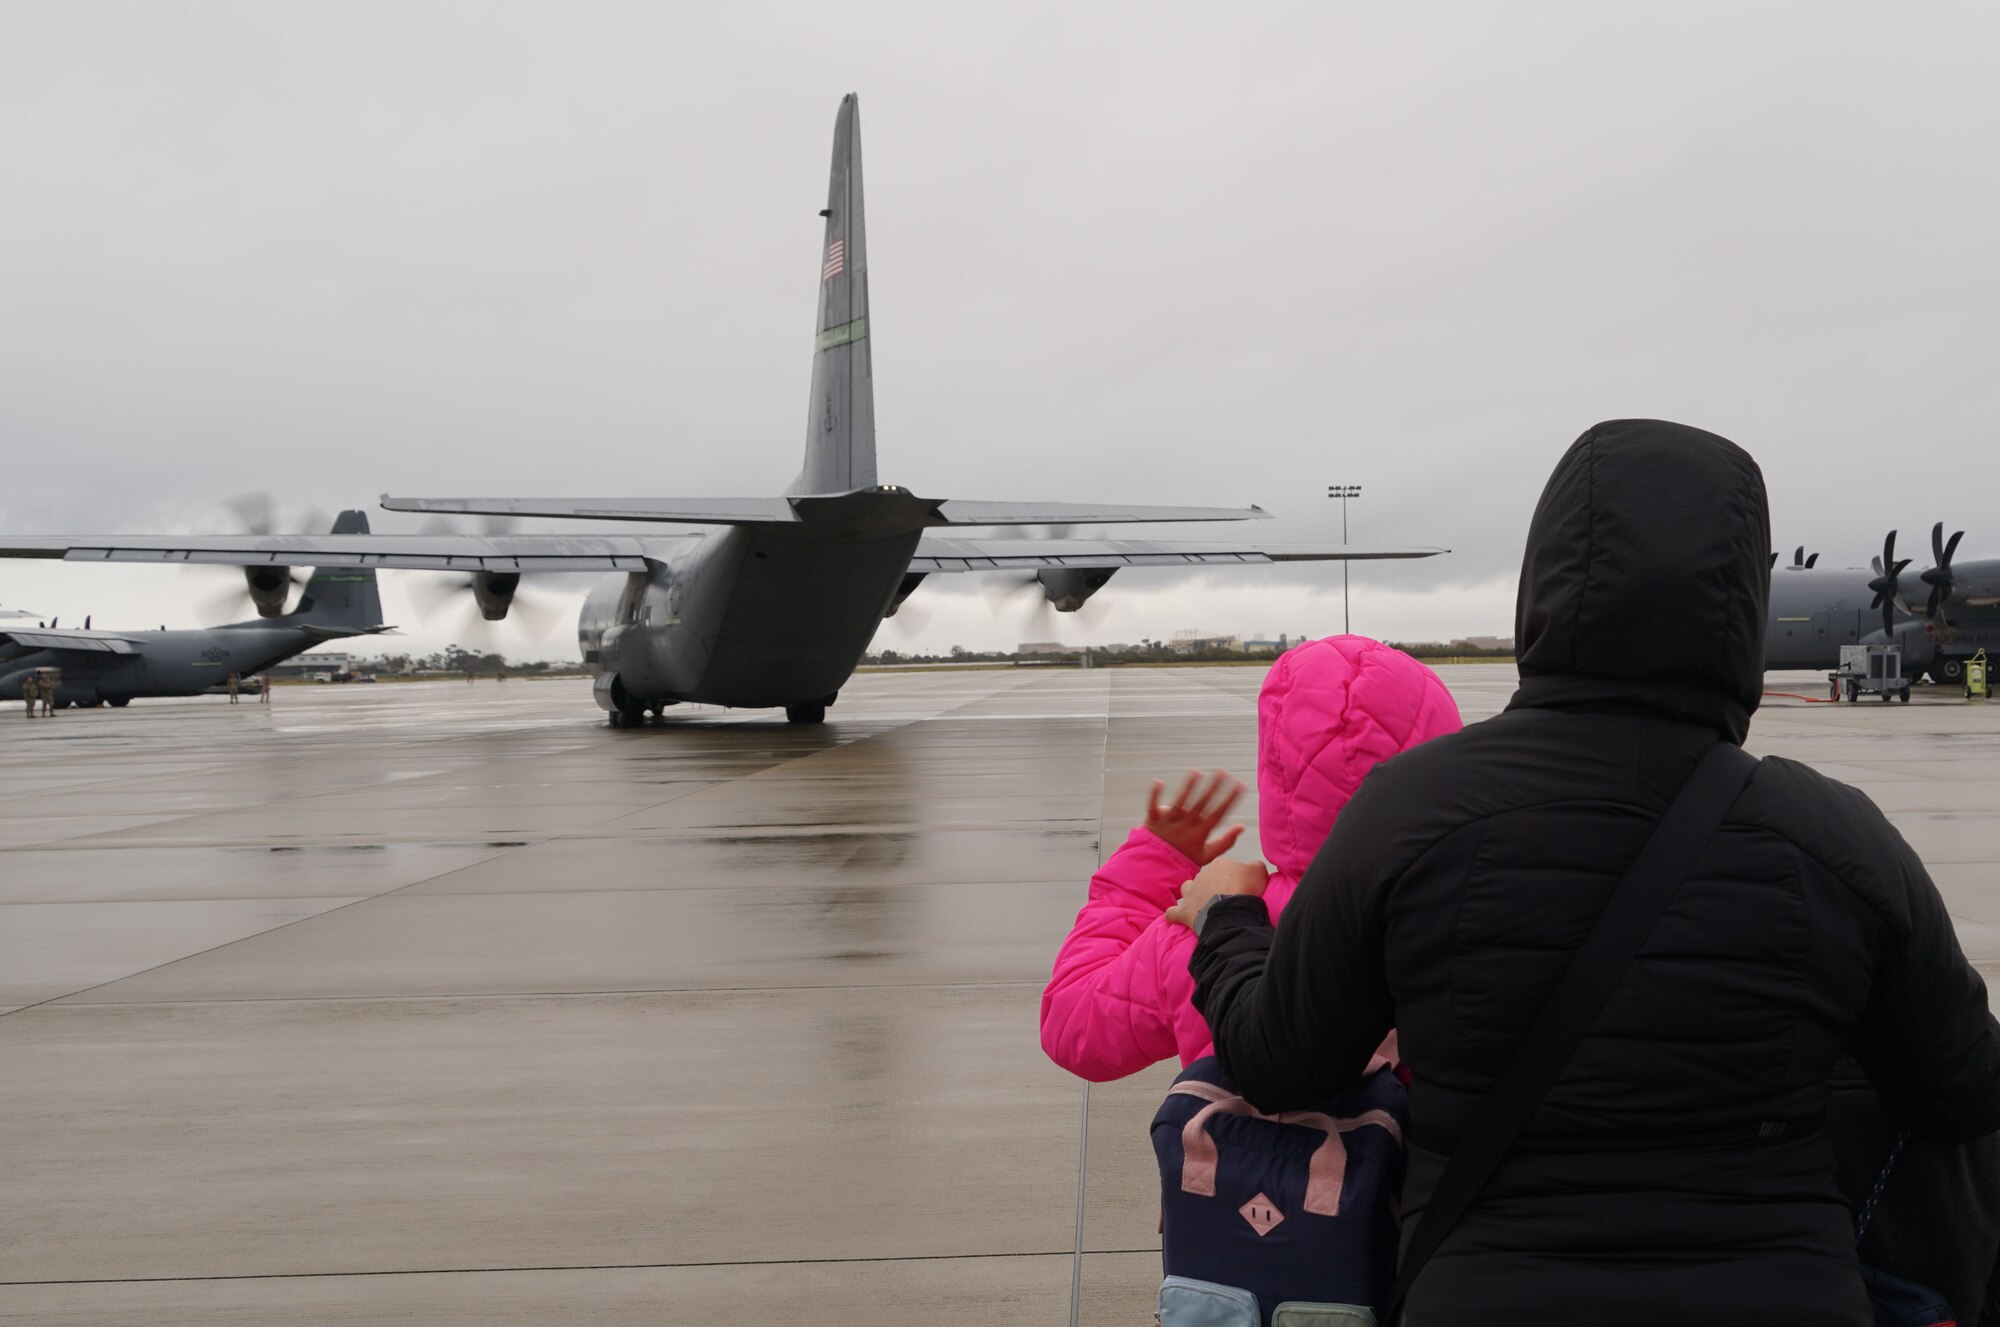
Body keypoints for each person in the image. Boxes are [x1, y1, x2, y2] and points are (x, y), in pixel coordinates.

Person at [1181, 420, 2000, 1325]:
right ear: (1739, 603)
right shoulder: (1837, 837)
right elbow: (1963, 1090)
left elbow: (1280, 1062)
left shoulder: (1409, 810)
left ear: (1545, 579)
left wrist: (1228, 922)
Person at [1039, 635, 1462, 1081]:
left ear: (1278, 766)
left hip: (1262, 1150)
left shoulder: (1210, 927)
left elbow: (1072, 1026)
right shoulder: (1483, 904)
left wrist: (1148, 866)